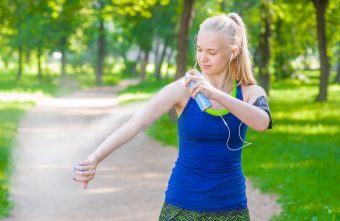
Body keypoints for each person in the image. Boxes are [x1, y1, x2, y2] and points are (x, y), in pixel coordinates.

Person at [73, 12, 272, 221]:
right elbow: (135, 123)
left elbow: (262, 122)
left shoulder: (251, 92)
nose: (203, 58)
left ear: (233, 52)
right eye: (199, 49)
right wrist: (95, 158)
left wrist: (214, 93)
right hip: (182, 204)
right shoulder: (182, 90)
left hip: (231, 206)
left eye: (212, 52)